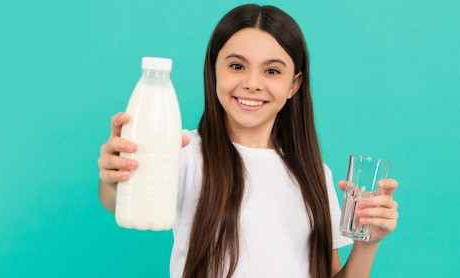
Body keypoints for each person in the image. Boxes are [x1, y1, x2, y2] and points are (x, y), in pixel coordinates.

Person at [97, 4, 399, 278]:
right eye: (237, 66)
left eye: (272, 71)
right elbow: (116, 200)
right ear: (214, 70)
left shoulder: (315, 174)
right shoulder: (186, 153)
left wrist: (367, 244)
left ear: (294, 84)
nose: (252, 83)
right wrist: (115, 177)